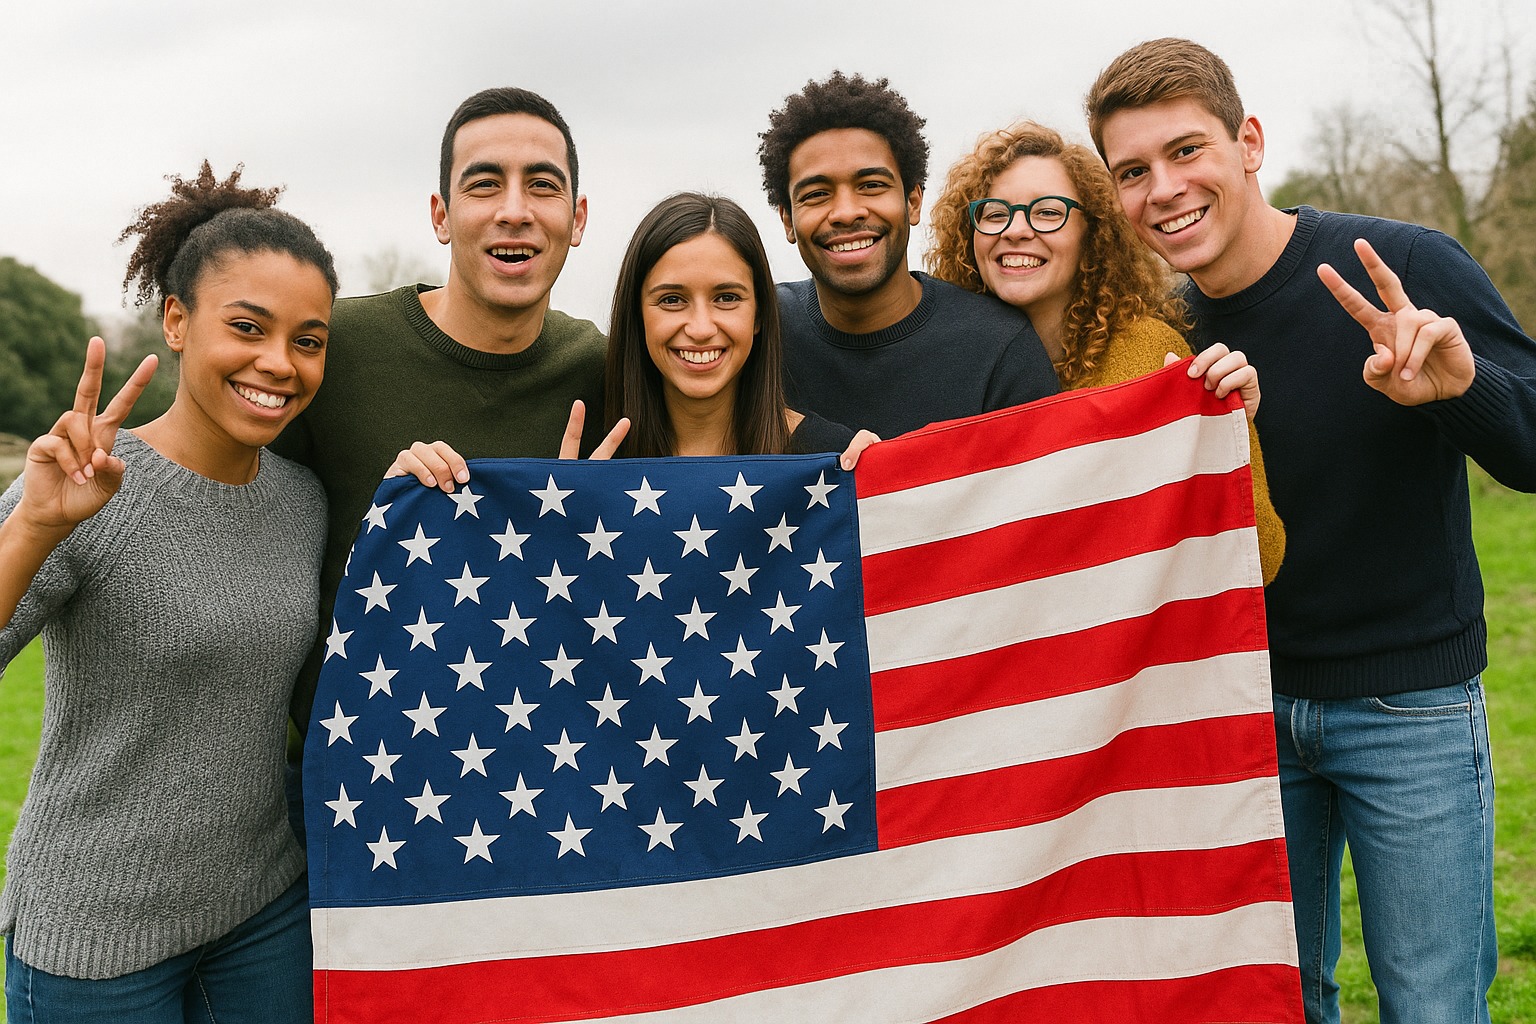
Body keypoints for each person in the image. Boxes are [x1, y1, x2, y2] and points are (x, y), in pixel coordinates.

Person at [1088, 37, 1536, 1024]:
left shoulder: (1404, 267)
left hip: (1409, 710)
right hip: (1242, 717)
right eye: (1132, 171)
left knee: (1431, 1004)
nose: (1162, 188)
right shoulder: (1155, 331)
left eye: (1186, 151)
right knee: (1277, 1005)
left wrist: (1460, 390)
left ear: (1249, 142)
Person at [0, 164, 337, 1022]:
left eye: (308, 340)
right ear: (178, 321)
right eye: (249, 327)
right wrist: (37, 527)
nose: (279, 363)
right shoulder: (87, 485)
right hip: (94, 938)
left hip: (262, 911)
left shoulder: (302, 501)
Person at [272, 86, 606, 737]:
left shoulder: (605, 370)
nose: (515, 211)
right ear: (441, 215)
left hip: (543, 782)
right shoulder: (334, 348)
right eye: (485, 185)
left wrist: (854, 463)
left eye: (542, 185)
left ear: (579, 215)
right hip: (349, 787)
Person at [924, 120, 1286, 583]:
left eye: (1048, 211)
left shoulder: (1148, 355)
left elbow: (1262, 557)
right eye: (994, 213)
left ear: (1091, 233)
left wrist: (1220, 442)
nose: (1015, 230)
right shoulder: (943, 360)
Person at [391, 192, 877, 488]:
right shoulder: (582, 462)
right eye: (671, 300)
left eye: (727, 298)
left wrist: (891, 481)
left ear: (759, 317)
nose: (702, 326)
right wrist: (417, 487)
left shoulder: (833, 459)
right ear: (635, 316)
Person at [757, 72, 1060, 437]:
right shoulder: (756, 331)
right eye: (817, 194)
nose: (846, 212)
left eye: (871, 186)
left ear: (913, 201)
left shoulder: (999, 349)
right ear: (787, 220)